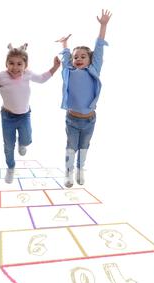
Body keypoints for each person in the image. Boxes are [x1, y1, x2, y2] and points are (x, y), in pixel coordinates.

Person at [0, 43, 61, 183]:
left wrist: (55, 68)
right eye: (11, 63)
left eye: (19, 64)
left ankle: (23, 143)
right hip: (7, 116)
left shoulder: (28, 74)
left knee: (26, 139)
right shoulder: (1, 76)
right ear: (6, 64)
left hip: (24, 115)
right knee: (8, 145)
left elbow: (42, 79)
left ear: (25, 65)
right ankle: (11, 167)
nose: (15, 67)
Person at [56, 9, 112, 187]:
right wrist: (64, 44)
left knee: (84, 148)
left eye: (83, 56)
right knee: (71, 147)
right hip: (72, 120)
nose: (78, 59)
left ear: (90, 59)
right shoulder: (68, 71)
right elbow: (65, 57)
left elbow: (99, 48)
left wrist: (103, 26)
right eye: (76, 57)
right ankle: (68, 173)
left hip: (89, 120)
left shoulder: (93, 70)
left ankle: (81, 170)